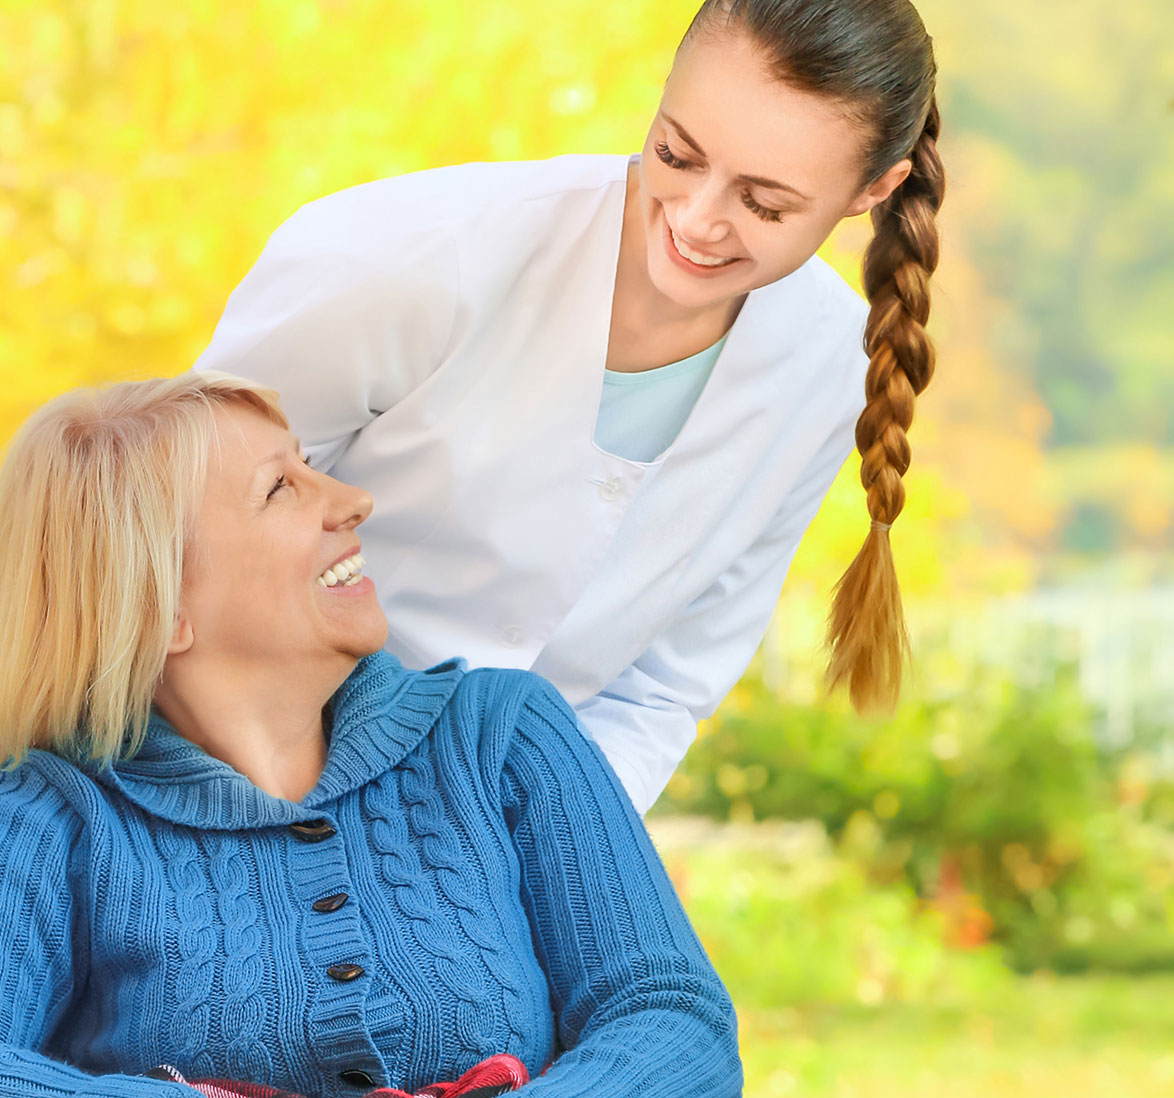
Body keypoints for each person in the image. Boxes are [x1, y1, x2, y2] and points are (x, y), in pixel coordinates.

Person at [0, 373, 741, 1098]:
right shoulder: (56, 815)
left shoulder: (498, 736)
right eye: (281, 488)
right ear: (161, 608)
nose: (352, 501)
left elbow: (673, 1020)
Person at [195, 0, 944, 813]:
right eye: (676, 153)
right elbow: (179, 542)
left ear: (874, 189)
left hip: (512, 845)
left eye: (763, 205)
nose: (696, 221)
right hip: (247, 788)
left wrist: (554, 854)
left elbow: (661, 690)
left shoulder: (831, 367)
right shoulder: (404, 258)